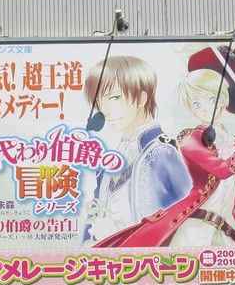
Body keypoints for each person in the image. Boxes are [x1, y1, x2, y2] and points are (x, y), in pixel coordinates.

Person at [92, 48, 235, 249]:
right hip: (195, 228)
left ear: (223, 100)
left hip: (226, 231)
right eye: (196, 104)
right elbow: (223, 170)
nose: (205, 108)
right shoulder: (189, 139)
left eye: (212, 100)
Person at [81, 56, 190, 245]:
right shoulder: (110, 159)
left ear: (141, 98)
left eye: (114, 97)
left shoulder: (166, 151)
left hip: (156, 260)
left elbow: (190, 210)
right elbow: (94, 216)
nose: (105, 109)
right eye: (98, 100)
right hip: (108, 260)